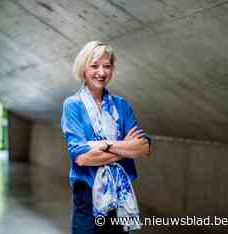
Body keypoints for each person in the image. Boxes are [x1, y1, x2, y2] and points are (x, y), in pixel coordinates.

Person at [61, 41, 151, 234]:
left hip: (119, 194)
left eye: (107, 66)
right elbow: (82, 157)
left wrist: (104, 145)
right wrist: (124, 148)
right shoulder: (73, 105)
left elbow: (143, 147)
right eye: (94, 66)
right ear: (83, 68)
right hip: (86, 194)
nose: (101, 72)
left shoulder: (122, 105)